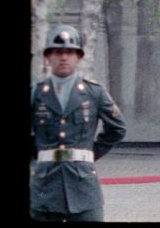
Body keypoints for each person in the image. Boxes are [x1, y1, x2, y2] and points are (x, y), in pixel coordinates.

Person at [31, 24, 126, 221]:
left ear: (79, 57)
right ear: (48, 57)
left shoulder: (94, 93)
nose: (64, 57)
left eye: (70, 52)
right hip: (45, 186)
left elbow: (117, 128)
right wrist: (39, 155)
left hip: (83, 186)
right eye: (58, 52)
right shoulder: (36, 93)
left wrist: (89, 153)